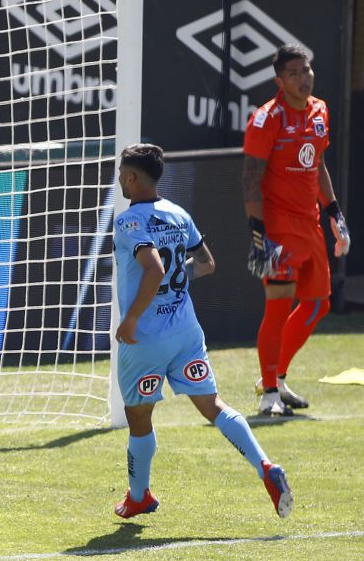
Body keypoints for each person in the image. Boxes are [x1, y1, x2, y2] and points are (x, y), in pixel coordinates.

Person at [113, 143, 292, 519]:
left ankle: (139, 495)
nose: (119, 179)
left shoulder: (129, 221)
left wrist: (131, 318)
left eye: (120, 173)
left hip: (145, 339)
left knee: (139, 417)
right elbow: (206, 263)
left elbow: (155, 269)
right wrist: (175, 283)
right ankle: (265, 466)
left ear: (131, 177)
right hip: (186, 331)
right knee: (213, 406)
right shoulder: (179, 214)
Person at [242, 44, 350, 416]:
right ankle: (270, 390)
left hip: (310, 224)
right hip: (278, 228)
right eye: (294, 74)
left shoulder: (320, 110)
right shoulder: (266, 119)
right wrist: (258, 235)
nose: (303, 79)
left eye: (306, 70)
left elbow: (317, 164)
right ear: (279, 80)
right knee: (278, 306)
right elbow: (251, 177)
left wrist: (334, 212)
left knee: (318, 305)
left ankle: (277, 377)